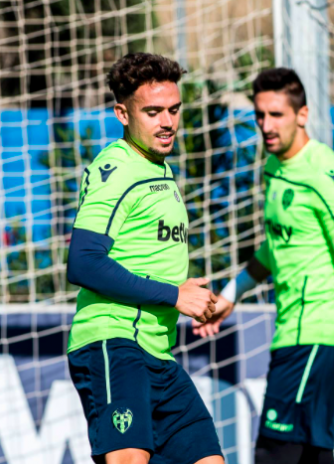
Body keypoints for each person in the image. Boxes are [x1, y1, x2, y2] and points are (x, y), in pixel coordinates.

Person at [193, 68, 334, 464]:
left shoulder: (323, 174)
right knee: (312, 457)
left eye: (276, 115)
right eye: (260, 116)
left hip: (313, 340)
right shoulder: (275, 167)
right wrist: (230, 296)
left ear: (302, 114)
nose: (266, 126)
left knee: (273, 455)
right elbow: (277, 246)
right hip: (300, 338)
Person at [66, 52, 224, 464]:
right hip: (113, 342)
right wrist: (174, 295)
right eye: (152, 112)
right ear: (122, 113)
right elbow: (83, 262)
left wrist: (196, 299)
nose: (167, 122)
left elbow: (144, 259)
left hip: (158, 352)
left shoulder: (159, 170)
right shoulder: (117, 167)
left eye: (173, 110)